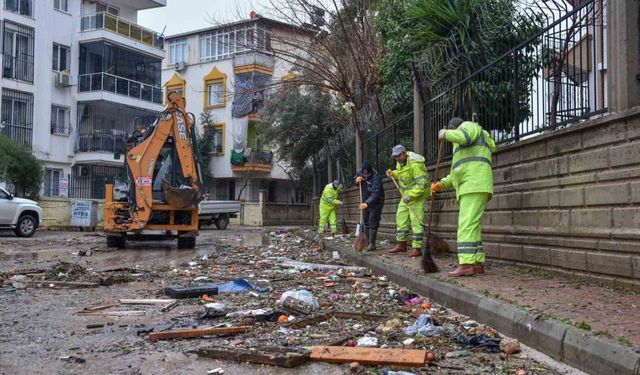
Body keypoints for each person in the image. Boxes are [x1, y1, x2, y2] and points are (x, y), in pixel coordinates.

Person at [431, 117, 496, 277]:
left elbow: (464, 136)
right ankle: (476, 262)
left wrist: (445, 133)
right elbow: (457, 172)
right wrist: (442, 183)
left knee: (466, 226)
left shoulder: (469, 127)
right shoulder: (464, 147)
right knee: (473, 226)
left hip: (473, 184)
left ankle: (466, 263)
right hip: (474, 184)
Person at [385, 145, 429, 258]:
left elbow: (422, 184)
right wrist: (393, 173)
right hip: (405, 196)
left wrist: (411, 196)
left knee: (416, 220)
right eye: (395, 157)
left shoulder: (415, 164)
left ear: (404, 153)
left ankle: (417, 248)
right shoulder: (400, 163)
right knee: (401, 217)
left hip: (417, 195)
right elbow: (402, 174)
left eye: (399, 156)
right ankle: (401, 244)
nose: (397, 159)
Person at [356, 161, 385, 251]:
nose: (366, 176)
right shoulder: (360, 172)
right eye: (364, 174)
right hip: (365, 200)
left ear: (371, 172)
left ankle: (372, 244)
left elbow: (376, 193)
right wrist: (357, 181)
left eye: (367, 174)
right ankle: (366, 242)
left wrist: (366, 203)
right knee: (366, 221)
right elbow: (357, 182)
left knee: (373, 221)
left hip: (376, 202)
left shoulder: (377, 177)